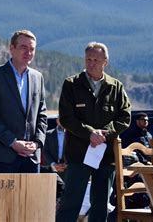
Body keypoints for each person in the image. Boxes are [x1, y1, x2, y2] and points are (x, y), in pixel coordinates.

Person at [56, 41, 131, 222]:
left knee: (100, 204)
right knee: (70, 202)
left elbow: (125, 117)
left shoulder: (116, 87)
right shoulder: (71, 84)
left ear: (106, 61)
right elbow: (66, 117)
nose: (91, 63)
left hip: (105, 156)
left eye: (96, 60)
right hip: (78, 154)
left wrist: (104, 133)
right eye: (88, 59)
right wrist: (90, 133)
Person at [0, 29, 48, 173]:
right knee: (0, 197)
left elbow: (42, 114)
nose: (28, 52)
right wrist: (13, 142)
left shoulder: (38, 77)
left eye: (32, 49)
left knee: (30, 197)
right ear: (11, 48)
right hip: (2, 157)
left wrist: (37, 143)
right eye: (23, 47)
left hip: (31, 158)